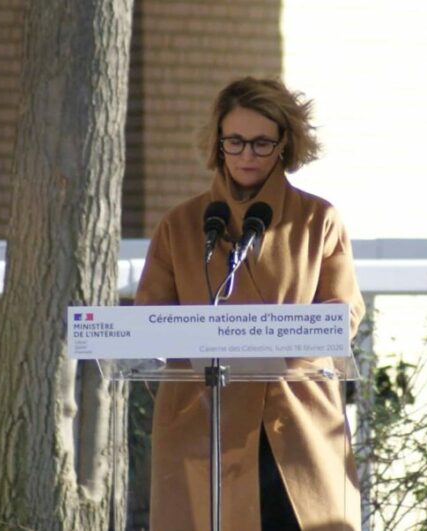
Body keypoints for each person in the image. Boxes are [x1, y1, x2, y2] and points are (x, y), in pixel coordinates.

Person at [134, 77, 365, 531]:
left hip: (294, 418)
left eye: (262, 143)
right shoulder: (181, 224)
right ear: (218, 144)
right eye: (235, 141)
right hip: (204, 417)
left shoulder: (318, 220)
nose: (246, 155)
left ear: (285, 144)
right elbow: (150, 318)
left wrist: (268, 343)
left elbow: (343, 315)